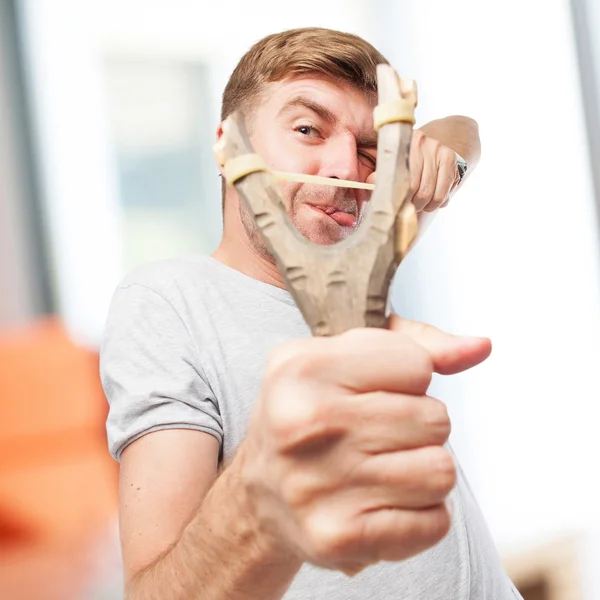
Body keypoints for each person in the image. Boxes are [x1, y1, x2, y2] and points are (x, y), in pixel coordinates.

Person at [100, 27, 522, 600]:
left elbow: (465, 134)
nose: (343, 168)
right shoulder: (168, 300)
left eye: (369, 150)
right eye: (307, 130)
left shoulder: (365, 256)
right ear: (229, 147)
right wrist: (259, 494)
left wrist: (433, 154)